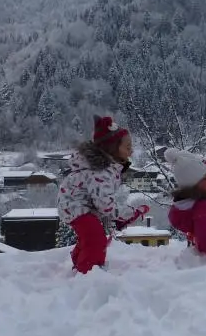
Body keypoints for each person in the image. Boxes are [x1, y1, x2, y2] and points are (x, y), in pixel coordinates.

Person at [57, 115, 148, 273]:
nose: (131, 150)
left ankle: (80, 261)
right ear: (112, 148)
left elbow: (103, 203)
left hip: (76, 206)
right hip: (76, 206)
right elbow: (106, 206)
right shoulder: (101, 172)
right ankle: (89, 272)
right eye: (127, 146)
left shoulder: (107, 169)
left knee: (90, 236)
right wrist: (130, 213)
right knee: (96, 240)